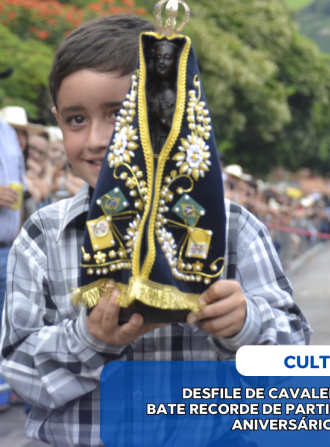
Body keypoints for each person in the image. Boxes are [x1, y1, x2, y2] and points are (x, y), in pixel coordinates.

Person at [0, 14, 311, 446]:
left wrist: (245, 323)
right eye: (75, 119)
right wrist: (88, 339)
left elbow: (296, 360)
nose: (95, 139)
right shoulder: (43, 236)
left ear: (167, 114)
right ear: (56, 118)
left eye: (119, 114)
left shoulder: (234, 229)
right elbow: (19, 370)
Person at [0, 71, 29, 414]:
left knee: (8, 324)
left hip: (8, 245)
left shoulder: (8, 133)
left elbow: (18, 185)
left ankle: (5, 393)